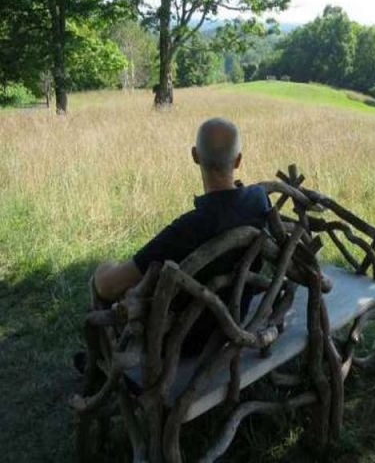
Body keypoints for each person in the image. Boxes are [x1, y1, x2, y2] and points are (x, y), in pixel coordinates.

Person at [91, 117, 270, 355]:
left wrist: (103, 269)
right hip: (233, 320)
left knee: (106, 284)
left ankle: (104, 359)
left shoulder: (187, 229)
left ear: (195, 155)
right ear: (238, 160)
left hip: (184, 339)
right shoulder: (259, 199)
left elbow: (108, 286)